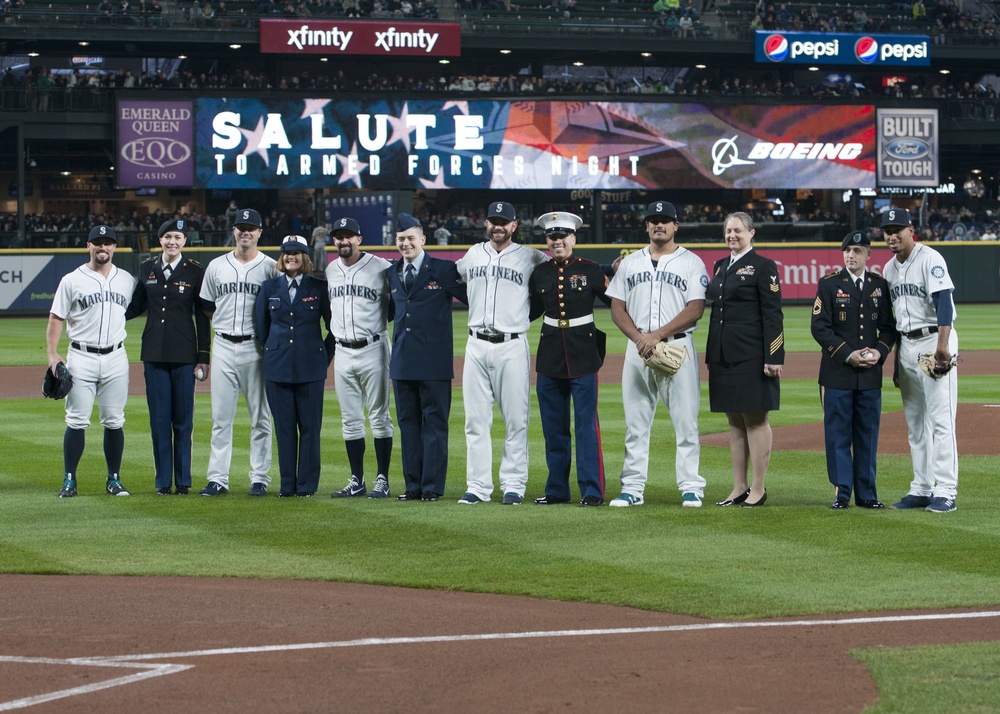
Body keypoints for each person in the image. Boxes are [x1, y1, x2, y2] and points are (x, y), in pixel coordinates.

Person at [604, 201, 709, 507]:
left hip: (677, 347)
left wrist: (656, 335)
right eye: (653, 220)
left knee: (686, 421)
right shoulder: (630, 262)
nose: (658, 225)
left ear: (676, 226)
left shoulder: (692, 262)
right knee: (635, 423)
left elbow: (696, 308)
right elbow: (617, 308)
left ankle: (691, 486)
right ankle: (632, 488)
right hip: (638, 349)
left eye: (665, 220)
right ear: (647, 226)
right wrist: (640, 338)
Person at [455, 200, 548, 505]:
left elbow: (559, 271)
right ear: (487, 224)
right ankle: (478, 486)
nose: (498, 226)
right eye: (493, 220)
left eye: (503, 221)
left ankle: (513, 485)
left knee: (516, 418)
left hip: (512, 344)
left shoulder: (531, 257)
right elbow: (453, 279)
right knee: (475, 420)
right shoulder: (472, 254)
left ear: (514, 226)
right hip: (476, 344)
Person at [46, 226, 135, 498]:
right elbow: (56, 318)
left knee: (114, 420)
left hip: (116, 356)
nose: (103, 248)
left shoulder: (127, 280)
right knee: (76, 420)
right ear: (88, 246)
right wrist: (52, 353)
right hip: (81, 356)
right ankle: (70, 480)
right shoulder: (72, 280)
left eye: (108, 243)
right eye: (98, 243)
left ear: (115, 247)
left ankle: (114, 479)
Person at [810, 231, 897, 509]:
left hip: (870, 373)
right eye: (847, 250)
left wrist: (879, 352)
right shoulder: (829, 284)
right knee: (838, 434)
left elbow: (888, 327)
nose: (851, 255)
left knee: (867, 434)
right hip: (837, 372)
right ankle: (842, 492)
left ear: (869, 255)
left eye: (858, 250)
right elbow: (819, 327)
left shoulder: (879, 286)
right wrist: (848, 354)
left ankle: (867, 494)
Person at [528, 211, 610, 507]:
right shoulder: (540, 273)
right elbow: (531, 310)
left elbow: (615, 301)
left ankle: (592, 490)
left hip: (583, 355)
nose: (557, 241)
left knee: (586, 426)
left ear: (573, 238)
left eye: (562, 236)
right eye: (552, 237)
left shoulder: (588, 270)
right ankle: (556, 490)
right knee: (553, 427)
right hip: (550, 355)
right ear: (546, 241)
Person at [881, 208, 959, 513]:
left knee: (941, 421)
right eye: (888, 230)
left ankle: (946, 491)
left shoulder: (931, 259)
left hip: (933, 342)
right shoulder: (888, 269)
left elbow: (943, 303)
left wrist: (943, 346)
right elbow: (896, 319)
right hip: (907, 346)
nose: (892, 235)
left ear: (911, 230)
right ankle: (922, 488)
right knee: (915, 424)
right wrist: (899, 361)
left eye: (898, 229)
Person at [125, 218, 210, 495]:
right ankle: (163, 482)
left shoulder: (195, 271)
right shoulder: (147, 267)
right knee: (159, 420)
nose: (172, 242)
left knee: (183, 420)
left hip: (184, 354)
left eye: (177, 237)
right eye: (167, 237)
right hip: (153, 353)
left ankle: (183, 481)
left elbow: (202, 316)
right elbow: (135, 306)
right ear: (160, 240)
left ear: (185, 241)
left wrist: (203, 356)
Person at [386, 213, 468, 502]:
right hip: (403, 361)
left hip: (434, 361)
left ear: (422, 239)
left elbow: (474, 297)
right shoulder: (392, 273)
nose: (405, 243)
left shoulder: (444, 270)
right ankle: (412, 485)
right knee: (408, 425)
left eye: (410, 238)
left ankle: (432, 486)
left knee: (434, 425)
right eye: (400, 239)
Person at [706, 212, 784, 509]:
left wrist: (773, 355)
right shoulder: (721, 265)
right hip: (724, 355)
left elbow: (773, 313)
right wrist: (713, 353)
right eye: (728, 230)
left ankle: (759, 488)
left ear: (751, 233)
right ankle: (738, 487)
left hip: (752, 355)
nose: (732, 235)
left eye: (738, 230)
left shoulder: (764, 267)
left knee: (755, 419)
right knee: (734, 421)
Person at [199, 208, 277, 497]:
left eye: (251, 228)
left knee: (261, 416)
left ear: (259, 232)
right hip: (222, 345)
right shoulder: (216, 266)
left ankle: (260, 478)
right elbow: (206, 305)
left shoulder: (270, 267)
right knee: (221, 417)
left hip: (255, 348)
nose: (246, 232)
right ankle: (218, 478)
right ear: (233, 231)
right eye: (241, 227)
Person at [255, 235, 334, 497]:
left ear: (305, 257)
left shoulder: (318, 286)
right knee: (284, 428)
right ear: (282, 257)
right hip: (277, 367)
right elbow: (261, 328)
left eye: (297, 253)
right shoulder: (269, 287)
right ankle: (287, 485)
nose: (291, 257)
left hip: (310, 366)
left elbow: (333, 327)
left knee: (310, 428)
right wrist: (273, 351)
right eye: (287, 253)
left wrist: (323, 355)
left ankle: (307, 486)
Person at [325, 217, 394, 499]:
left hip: (373, 348)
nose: (344, 241)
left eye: (349, 236)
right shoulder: (331, 269)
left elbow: (395, 305)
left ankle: (383, 480)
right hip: (342, 350)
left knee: (379, 416)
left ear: (359, 239)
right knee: (350, 419)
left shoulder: (381, 267)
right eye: (339, 237)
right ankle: (357, 480)